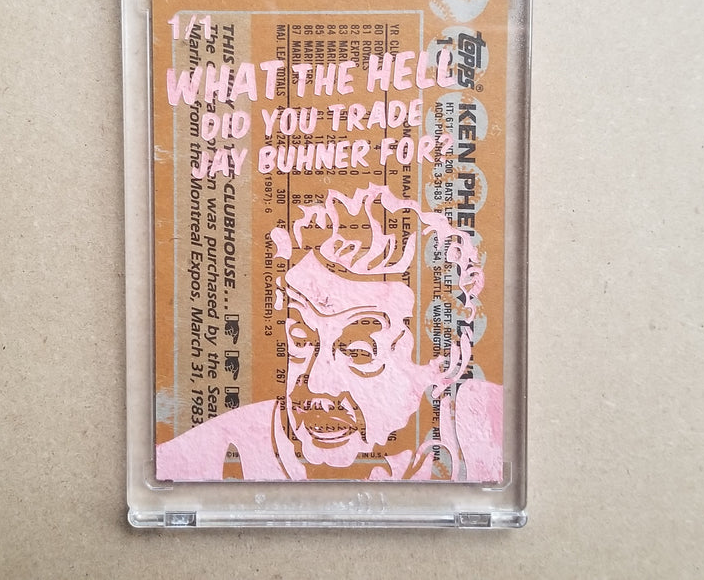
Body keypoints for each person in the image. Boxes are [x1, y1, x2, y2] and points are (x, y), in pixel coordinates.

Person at [156, 183, 501, 481]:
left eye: (359, 352)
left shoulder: (493, 432)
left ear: (445, 361)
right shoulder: (198, 461)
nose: (317, 385)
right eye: (301, 341)